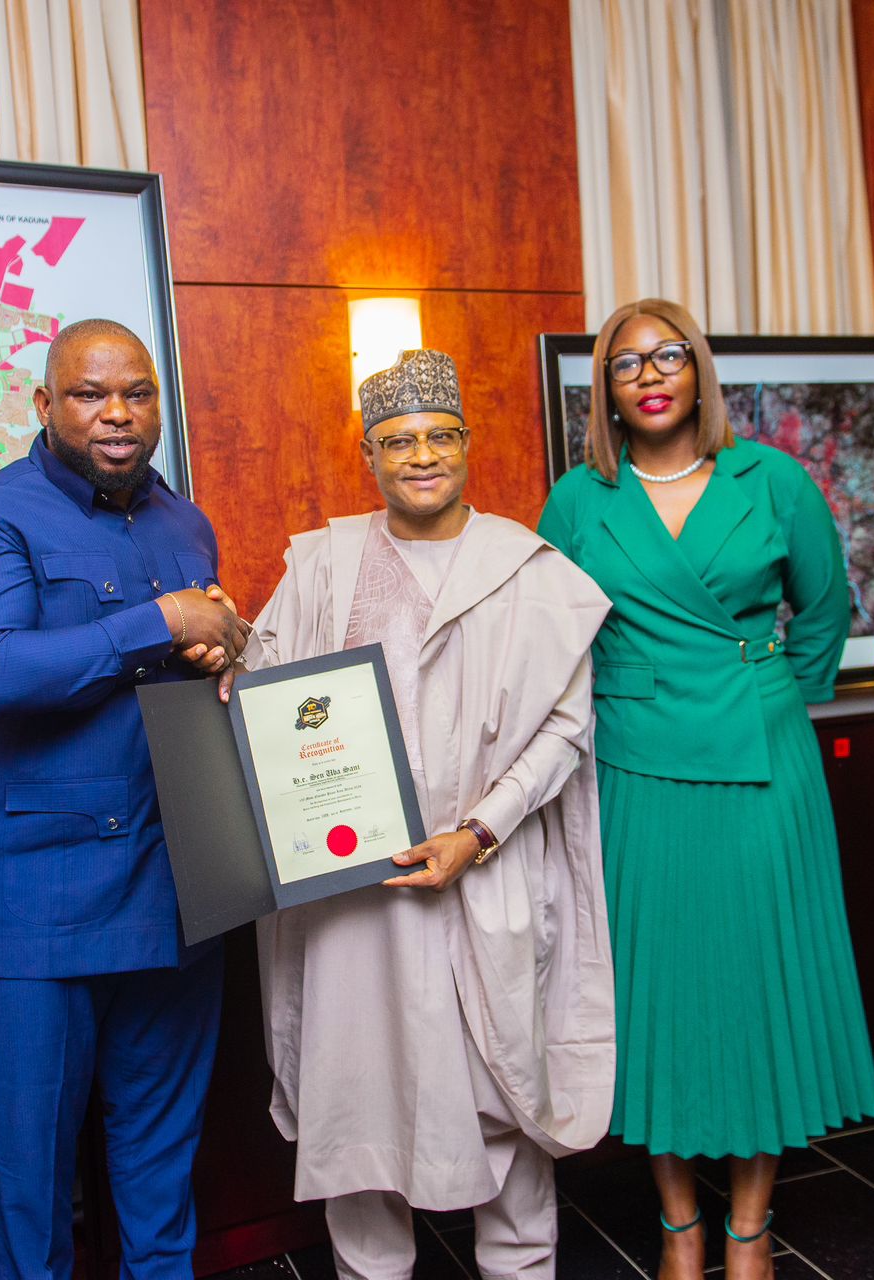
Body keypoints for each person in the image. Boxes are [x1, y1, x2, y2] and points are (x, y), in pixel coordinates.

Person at [238, 348, 615, 1280]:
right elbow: (269, 692)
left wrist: (477, 832)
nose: (421, 457)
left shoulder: (531, 570)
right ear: (370, 455)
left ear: (467, 446)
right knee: (356, 1093)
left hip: (485, 874)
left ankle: (520, 1268)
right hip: (355, 891)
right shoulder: (323, 564)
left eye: (439, 437)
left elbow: (564, 735)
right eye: (398, 441)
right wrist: (225, 651)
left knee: (506, 1089)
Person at [538, 299, 874, 1280]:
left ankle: (748, 1222)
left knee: (754, 987)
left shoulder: (770, 477)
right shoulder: (577, 498)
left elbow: (821, 611)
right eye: (624, 362)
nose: (648, 374)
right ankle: (678, 1217)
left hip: (760, 762)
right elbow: (549, 633)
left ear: (696, 371)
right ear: (603, 389)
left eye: (667, 355)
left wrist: (768, 691)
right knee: (658, 993)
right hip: (637, 764)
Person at [0, 319, 251, 1280]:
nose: (117, 414)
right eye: (89, 394)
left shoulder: (185, 523)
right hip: (39, 908)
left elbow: (191, 670)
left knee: (161, 1178)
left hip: (177, 890)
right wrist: (161, 622)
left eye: (137, 393)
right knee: (32, 1194)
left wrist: (222, 647)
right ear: (43, 405)